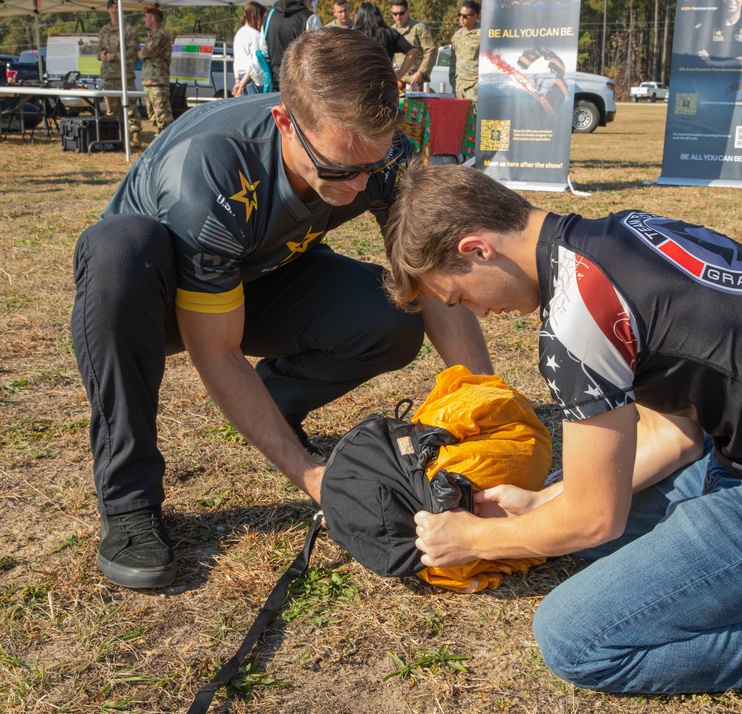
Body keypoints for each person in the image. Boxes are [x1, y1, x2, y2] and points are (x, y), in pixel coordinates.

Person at [382, 163, 742, 695]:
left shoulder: (578, 318)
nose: (477, 314)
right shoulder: (625, 232)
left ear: (476, 249)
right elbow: (674, 435)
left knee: (575, 639)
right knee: (564, 518)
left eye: (459, 295)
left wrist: (470, 540)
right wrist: (540, 503)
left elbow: (593, 519)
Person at [71, 30, 491, 591]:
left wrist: (488, 404)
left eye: (375, 163)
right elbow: (215, 351)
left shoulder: (381, 151)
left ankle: (275, 406)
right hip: (153, 295)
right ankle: (128, 500)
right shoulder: (214, 167)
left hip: (257, 274)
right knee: (118, 250)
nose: (361, 185)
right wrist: (318, 480)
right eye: (340, 171)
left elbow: (433, 278)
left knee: (391, 317)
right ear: (286, 122)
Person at [98, 0, 141, 147]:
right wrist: (102, 53)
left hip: (125, 75)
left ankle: (135, 137)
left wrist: (114, 56)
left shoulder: (129, 30)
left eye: (117, 7)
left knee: (130, 107)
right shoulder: (104, 30)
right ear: (108, 10)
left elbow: (132, 53)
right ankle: (114, 137)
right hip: (108, 75)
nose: (115, 10)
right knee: (111, 109)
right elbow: (98, 49)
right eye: (112, 8)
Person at [353, 1, 418, 83]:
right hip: (384, 80)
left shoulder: (354, 36)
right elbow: (411, 52)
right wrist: (399, 74)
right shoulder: (390, 33)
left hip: (360, 81)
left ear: (359, 17)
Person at [695, 0, 742, 69]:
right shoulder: (705, 28)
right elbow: (699, 63)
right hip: (711, 81)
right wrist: (738, 62)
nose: (731, 0)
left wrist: (712, 62)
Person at [138, 6, 173, 137]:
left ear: (153, 19)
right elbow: (144, 53)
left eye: (146, 17)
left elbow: (146, 52)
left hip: (158, 80)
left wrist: (142, 53)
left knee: (162, 113)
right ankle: (159, 137)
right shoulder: (152, 36)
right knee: (152, 113)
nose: (144, 20)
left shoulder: (160, 35)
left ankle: (168, 139)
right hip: (150, 80)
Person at [264, 0, 311, 90]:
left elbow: (263, 50)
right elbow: (318, 54)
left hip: (276, 82)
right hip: (302, 85)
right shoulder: (308, 17)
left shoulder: (269, 16)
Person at [390, 0, 437, 91]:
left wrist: (421, 72)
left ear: (408, 11)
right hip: (397, 82)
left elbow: (430, 51)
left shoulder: (419, 28)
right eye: (395, 14)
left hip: (415, 81)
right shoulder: (391, 31)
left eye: (401, 13)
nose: (398, 17)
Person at [449, 0, 480, 105]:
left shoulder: (483, 33)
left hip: (475, 88)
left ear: (475, 16)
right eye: (460, 15)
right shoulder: (457, 35)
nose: (461, 18)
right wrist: (453, 82)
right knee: (460, 119)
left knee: (474, 119)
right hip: (459, 88)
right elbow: (453, 61)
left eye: (465, 16)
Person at [232, 1, 265, 97]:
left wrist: (237, 80)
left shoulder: (239, 33)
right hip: (251, 79)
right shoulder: (256, 35)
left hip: (240, 77)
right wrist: (243, 83)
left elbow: (236, 61)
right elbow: (254, 63)